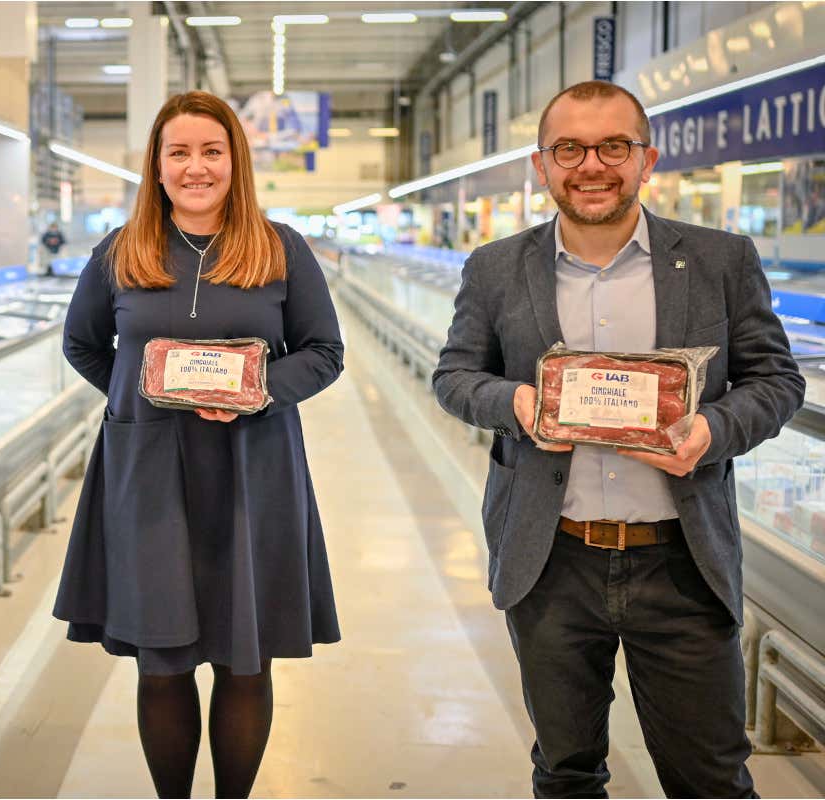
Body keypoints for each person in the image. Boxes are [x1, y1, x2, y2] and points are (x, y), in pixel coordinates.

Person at [432, 80, 804, 798]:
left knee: (712, 779)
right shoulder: (496, 268)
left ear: (647, 159)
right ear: (542, 165)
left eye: (613, 146)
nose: (591, 164)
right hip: (550, 560)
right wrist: (515, 402)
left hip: (682, 561)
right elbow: (454, 377)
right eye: (569, 147)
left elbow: (776, 379)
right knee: (566, 773)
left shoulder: (721, 260)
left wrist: (712, 430)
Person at [54, 90, 343, 799]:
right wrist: (144, 401)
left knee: (246, 662)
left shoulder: (280, 249)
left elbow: (324, 352)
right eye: (178, 152)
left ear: (234, 163)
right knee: (163, 659)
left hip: (253, 471)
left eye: (211, 151)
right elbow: (85, 345)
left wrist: (255, 393)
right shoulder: (122, 252)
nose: (195, 167)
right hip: (148, 477)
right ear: (156, 165)